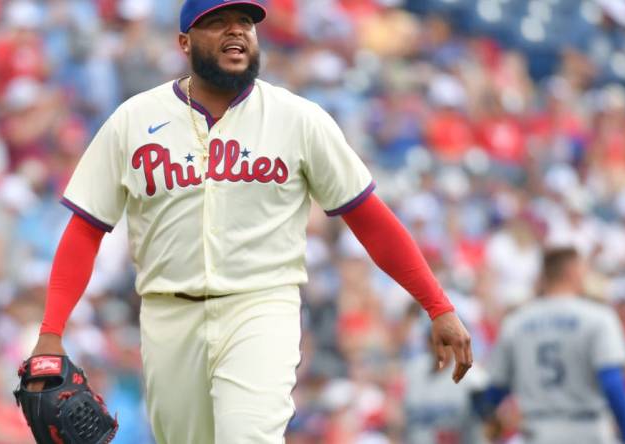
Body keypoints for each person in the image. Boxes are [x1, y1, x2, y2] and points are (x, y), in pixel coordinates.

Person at [24, 0, 473, 442]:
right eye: (217, 22)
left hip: (260, 307)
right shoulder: (133, 120)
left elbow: (371, 220)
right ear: (185, 42)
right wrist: (51, 331)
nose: (236, 31)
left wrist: (438, 306)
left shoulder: (298, 119)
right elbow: (86, 229)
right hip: (167, 316)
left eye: (245, 22)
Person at [481, 248, 625, 444]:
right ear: (572, 271)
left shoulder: (516, 322)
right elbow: (612, 382)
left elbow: (495, 390)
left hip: (537, 431)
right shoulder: (598, 317)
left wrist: (487, 423)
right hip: (587, 430)